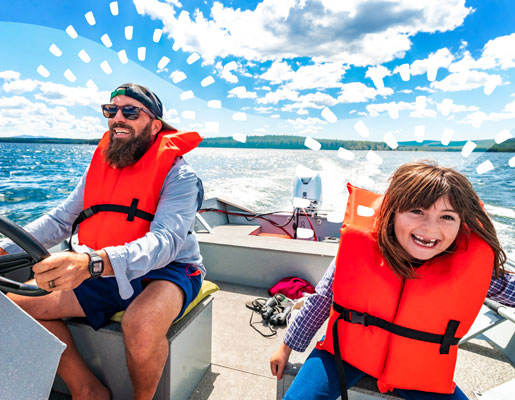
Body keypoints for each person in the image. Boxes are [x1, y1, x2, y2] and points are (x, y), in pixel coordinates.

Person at [0, 83, 205, 400]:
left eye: (131, 111)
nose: (118, 118)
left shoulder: (180, 175)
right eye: (111, 110)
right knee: (16, 306)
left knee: (140, 324)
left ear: (155, 125)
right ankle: (86, 389)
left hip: (169, 270)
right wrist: (5, 249)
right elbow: (60, 220)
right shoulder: (100, 167)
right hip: (103, 266)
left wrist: (93, 263)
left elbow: (167, 241)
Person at [270, 161, 513, 400]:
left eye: (447, 217)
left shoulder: (471, 271)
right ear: (393, 213)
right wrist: (286, 347)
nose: (429, 227)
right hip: (343, 355)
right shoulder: (357, 253)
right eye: (417, 211)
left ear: (461, 225)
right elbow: (321, 301)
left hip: (418, 371)